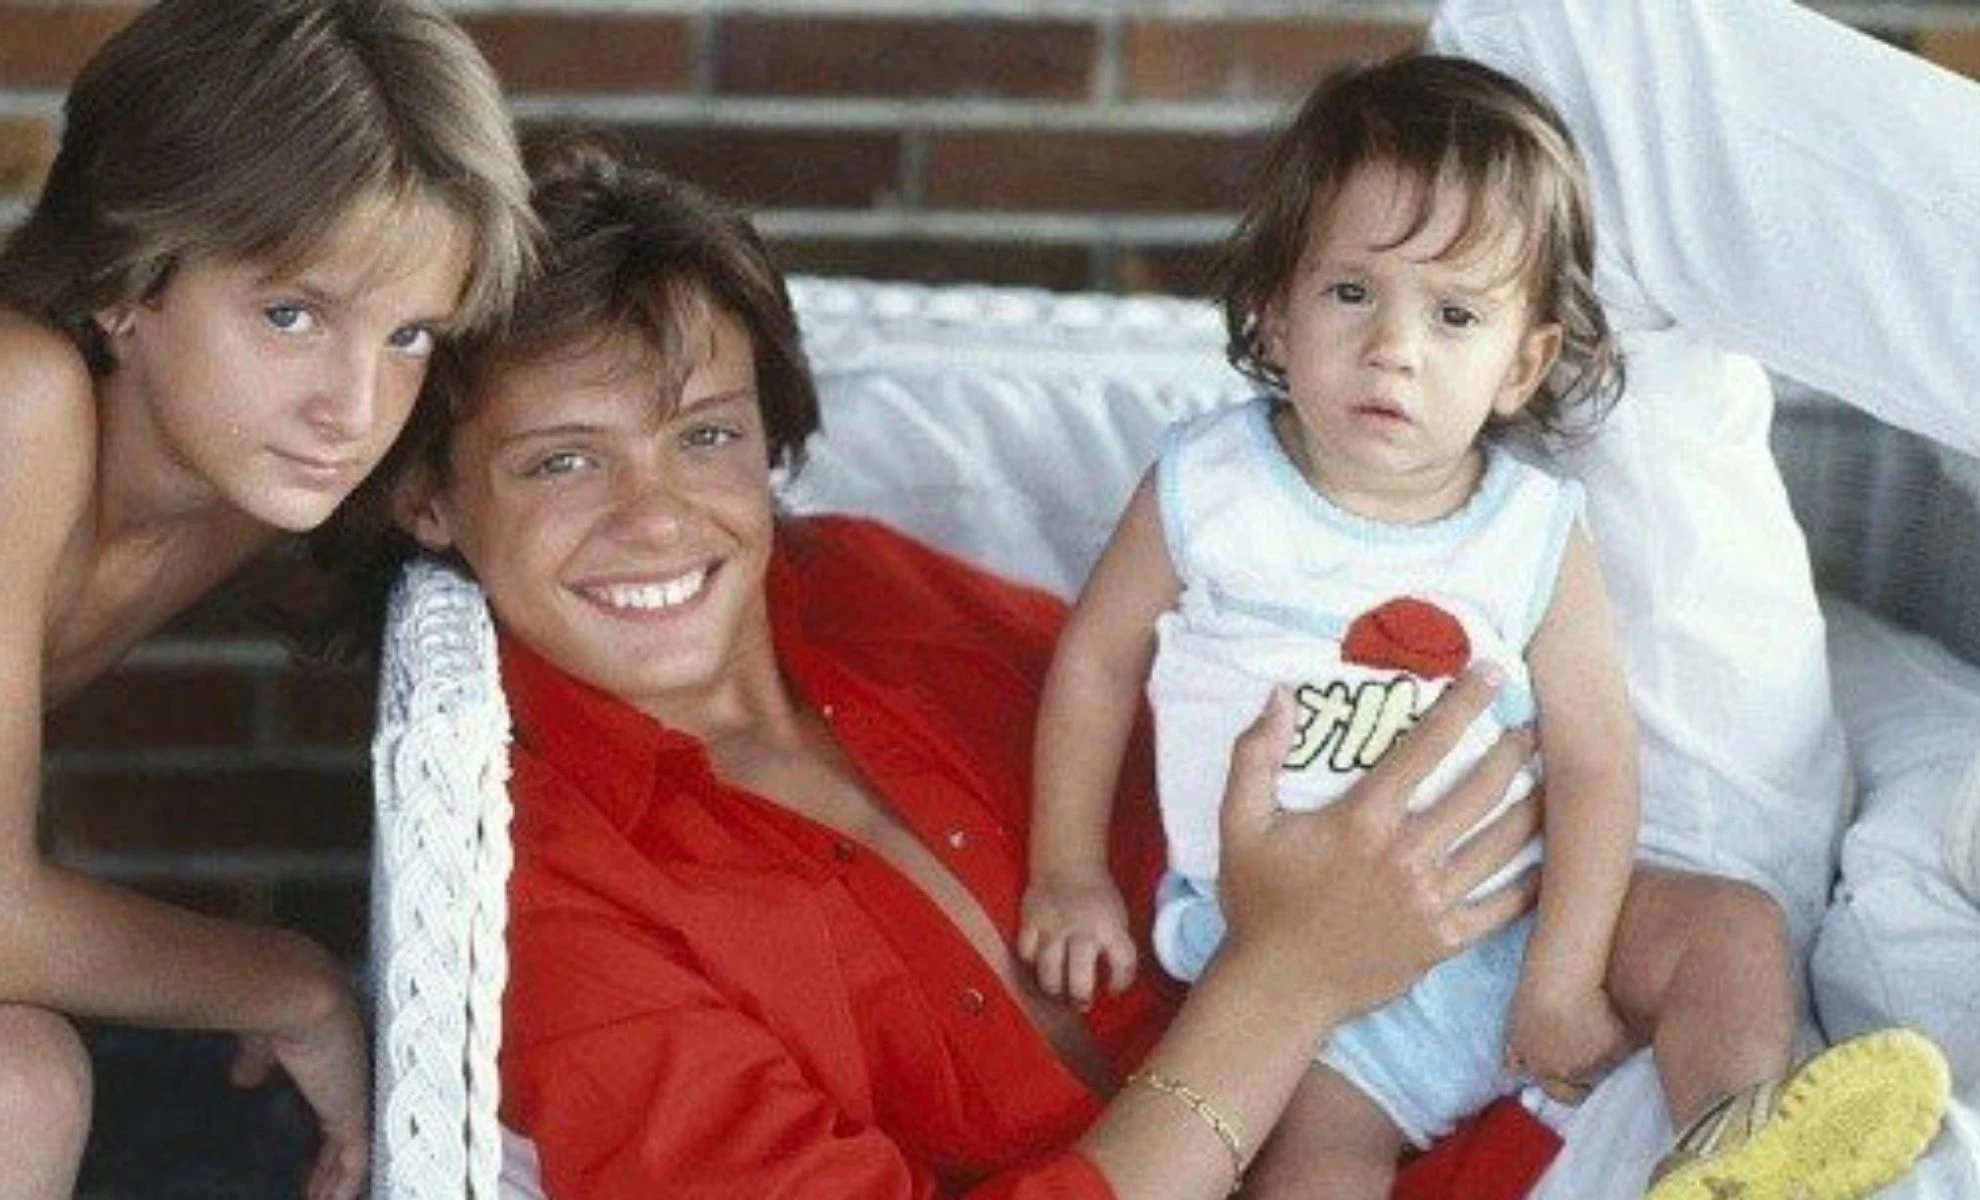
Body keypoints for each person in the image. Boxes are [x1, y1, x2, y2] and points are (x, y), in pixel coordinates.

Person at [346, 139, 1559, 1200]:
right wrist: (1288, 980)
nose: (657, 518)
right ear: (427, 497)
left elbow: (1215, 750)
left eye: (706, 434)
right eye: (562, 462)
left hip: (1462, 1120)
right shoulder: (541, 899)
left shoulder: (873, 586)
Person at [1019, 50, 1945, 1200]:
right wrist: (1069, 872)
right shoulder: (1209, 488)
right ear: (1274, 307)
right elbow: (1099, 661)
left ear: (1523, 363)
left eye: (1454, 314)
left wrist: (1561, 975)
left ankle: (1731, 1151)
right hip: (1298, 956)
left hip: (1517, 920)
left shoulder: (1532, 530)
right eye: (1350, 293)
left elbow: (1595, 759)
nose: (1394, 347)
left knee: (1734, 931)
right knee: (1313, 1159)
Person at [0, 1, 536, 1196]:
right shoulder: (18, 398)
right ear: (125, 278)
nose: (354, 407)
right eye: (291, 314)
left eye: (409, 334)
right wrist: (291, 987)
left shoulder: (256, 461)